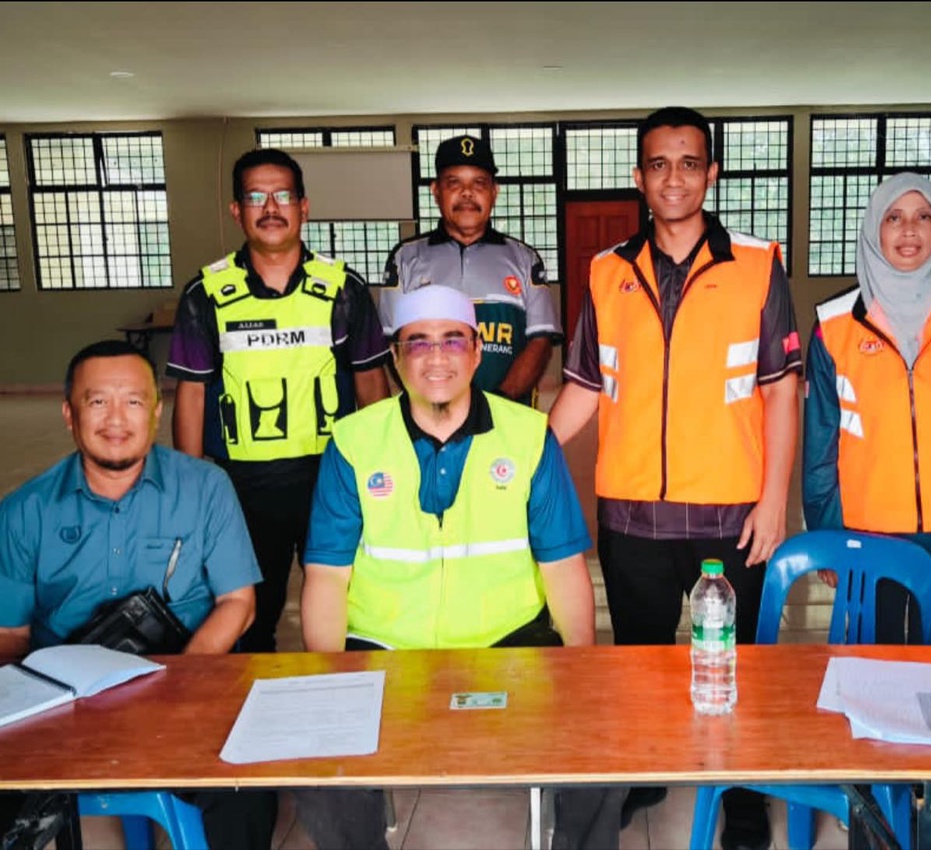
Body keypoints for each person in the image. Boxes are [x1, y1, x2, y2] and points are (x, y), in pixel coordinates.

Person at [548, 107, 802, 850]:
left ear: (710, 174)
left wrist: (774, 501)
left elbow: (781, 389)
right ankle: (649, 770)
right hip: (632, 511)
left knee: (738, 661)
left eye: (689, 163)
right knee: (641, 659)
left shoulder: (757, 264)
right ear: (639, 177)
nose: (674, 178)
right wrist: (524, 453)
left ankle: (743, 794)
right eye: (659, 164)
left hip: (731, 506)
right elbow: (585, 385)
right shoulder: (607, 271)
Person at [293, 285, 625, 850]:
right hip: (384, 648)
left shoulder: (527, 437)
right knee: (316, 758)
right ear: (395, 358)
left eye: (452, 340)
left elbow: (563, 565)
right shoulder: (354, 442)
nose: (437, 357)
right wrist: (331, 680)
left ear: (475, 353)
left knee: (601, 737)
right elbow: (326, 575)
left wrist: (580, 673)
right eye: (418, 342)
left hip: (509, 644)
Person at [0, 339, 275, 850]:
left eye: (132, 401)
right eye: (97, 401)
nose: (115, 419)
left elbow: (238, 604)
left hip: (185, 687)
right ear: (69, 414)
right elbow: (10, 635)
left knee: (245, 789)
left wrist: (181, 681)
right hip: (68, 707)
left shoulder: (206, 488)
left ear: (156, 410)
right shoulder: (24, 511)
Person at [167, 148, 390, 653]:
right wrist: (192, 487)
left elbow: (372, 387)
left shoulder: (344, 289)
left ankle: (345, 693)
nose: (271, 207)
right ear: (236, 210)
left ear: (304, 207)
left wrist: (379, 473)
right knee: (247, 617)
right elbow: (192, 396)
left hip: (331, 478)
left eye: (283, 195)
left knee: (345, 608)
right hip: (242, 486)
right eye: (256, 197)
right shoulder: (206, 293)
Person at [803, 172, 931, 648]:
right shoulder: (835, 326)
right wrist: (828, 533)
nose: (909, 229)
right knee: (878, 656)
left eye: (923, 216)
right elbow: (820, 443)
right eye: (894, 217)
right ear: (875, 227)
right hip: (871, 530)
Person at [377, 134, 561, 405]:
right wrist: (432, 402)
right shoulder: (405, 258)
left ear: (494, 192)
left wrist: (496, 405)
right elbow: (395, 343)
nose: (467, 193)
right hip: (432, 417)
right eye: (454, 183)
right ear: (436, 191)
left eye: (479, 183)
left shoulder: (525, 259)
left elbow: (540, 342)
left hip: (508, 414)